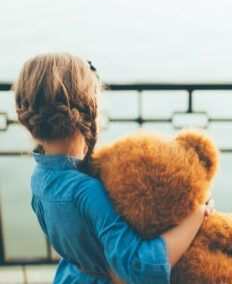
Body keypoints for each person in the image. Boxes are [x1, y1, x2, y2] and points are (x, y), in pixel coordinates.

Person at [13, 53, 214, 283]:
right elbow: (139, 267)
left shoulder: (39, 178)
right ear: (91, 112)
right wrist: (199, 214)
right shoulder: (86, 191)